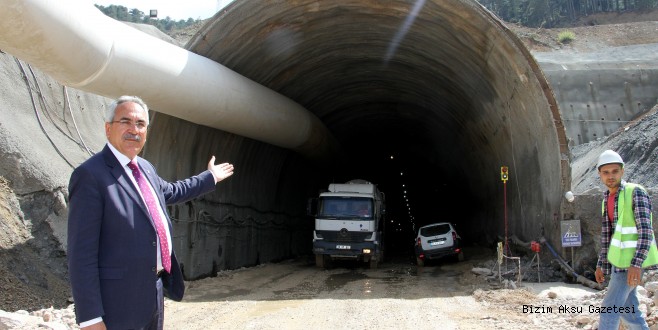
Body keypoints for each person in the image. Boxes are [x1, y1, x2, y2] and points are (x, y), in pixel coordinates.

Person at [67, 95, 234, 330]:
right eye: (125, 122)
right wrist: (90, 318)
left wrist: (210, 178)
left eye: (141, 124)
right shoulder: (90, 176)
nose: (134, 130)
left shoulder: (145, 168)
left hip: (152, 293)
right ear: (108, 128)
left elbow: (172, 191)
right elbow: (80, 254)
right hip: (117, 302)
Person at [594, 149, 658, 330]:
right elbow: (608, 236)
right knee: (629, 313)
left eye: (615, 171)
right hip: (618, 264)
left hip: (630, 266)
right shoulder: (607, 198)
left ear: (622, 171)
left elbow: (645, 231)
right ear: (600, 174)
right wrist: (601, 264)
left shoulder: (635, 192)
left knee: (609, 310)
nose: (610, 176)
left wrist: (636, 264)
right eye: (606, 172)